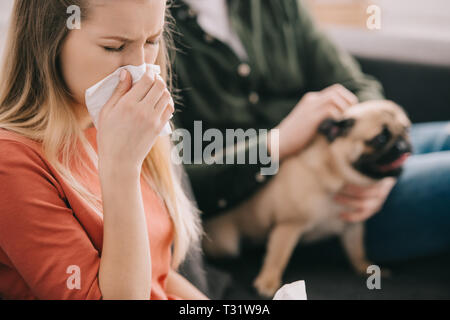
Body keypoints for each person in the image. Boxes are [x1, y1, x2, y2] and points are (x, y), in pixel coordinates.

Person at [171, 0, 450, 264]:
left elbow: (357, 85)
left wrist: (384, 167)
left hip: (356, 164)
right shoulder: (150, 27)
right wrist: (272, 145)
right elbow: (172, 180)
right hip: (305, 206)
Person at [0, 0, 208, 300]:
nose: (139, 67)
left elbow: (157, 275)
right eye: (114, 47)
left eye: (151, 41)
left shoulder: (119, 124)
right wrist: (122, 168)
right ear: (49, 38)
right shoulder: (12, 163)